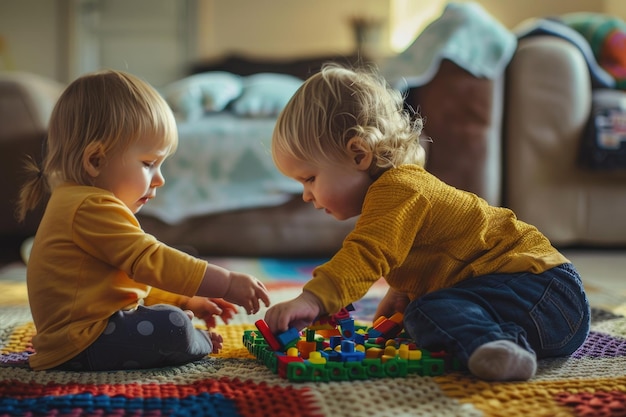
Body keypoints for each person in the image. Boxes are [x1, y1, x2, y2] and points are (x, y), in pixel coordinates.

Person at [263, 64, 590, 382]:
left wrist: (312, 299)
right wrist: (403, 291)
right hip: (541, 306)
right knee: (421, 311)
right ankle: (499, 342)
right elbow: (430, 260)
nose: (306, 195)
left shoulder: (398, 189)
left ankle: (495, 345)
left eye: (309, 178)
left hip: (544, 293)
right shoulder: (396, 193)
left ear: (358, 154)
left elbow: (366, 254)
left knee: (426, 312)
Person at [16, 69, 271, 371]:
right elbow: (150, 260)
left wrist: (185, 300)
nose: (159, 179)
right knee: (172, 325)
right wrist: (225, 282)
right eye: (149, 164)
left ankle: (179, 328)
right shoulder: (89, 207)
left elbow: (131, 276)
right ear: (96, 160)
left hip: (83, 338)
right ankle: (193, 341)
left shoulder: (76, 202)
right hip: (85, 342)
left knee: (171, 314)